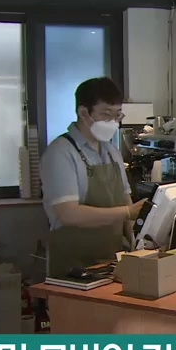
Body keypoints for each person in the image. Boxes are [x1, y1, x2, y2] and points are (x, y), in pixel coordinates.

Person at [40, 77, 146, 279]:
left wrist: (136, 243)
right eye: (106, 115)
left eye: (117, 115)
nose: (113, 122)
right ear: (83, 112)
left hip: (112, 263)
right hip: (74, 268)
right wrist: (127, 212)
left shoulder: (112, 151)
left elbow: (125, 199)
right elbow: (68, 214)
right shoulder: (60, 153)